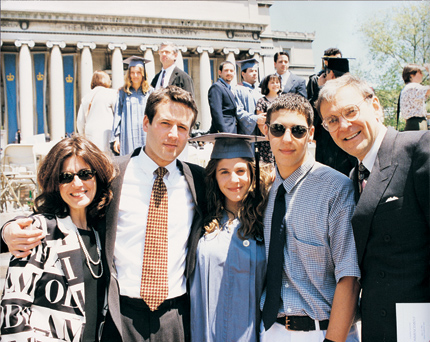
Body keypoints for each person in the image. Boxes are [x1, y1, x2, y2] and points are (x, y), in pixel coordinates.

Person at [2, 86, 206, 342]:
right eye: (165, 123)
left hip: (175, 318)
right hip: (120, 317)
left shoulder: (199, 182)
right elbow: (63, 202)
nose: (173, 134)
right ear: (146, 122)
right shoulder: (111, 175)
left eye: (182, 127)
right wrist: (7, 230)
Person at [316, 74, 430, 342]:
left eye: (350, 111)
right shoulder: (352, 177)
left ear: (376, 106)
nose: (344, 125)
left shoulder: (418, 148)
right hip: (378, 329)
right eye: (332, 120)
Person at [260, 94, 360, 342]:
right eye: (278, 129)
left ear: (311, 133)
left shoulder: (336, 189)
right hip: (270, 330)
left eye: (298, 130)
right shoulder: (265, 192)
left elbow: (349, 276)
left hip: (323, 331)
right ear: (266, 131)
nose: (287, 138)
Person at [0, 135, 115, 341]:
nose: (77, 183)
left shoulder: (101, 232)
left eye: (85, 174)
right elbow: (13, 311)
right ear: (55, 183)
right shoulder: (41, 230)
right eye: (66, 177)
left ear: (97, 177)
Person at [189, 133, 271, 342]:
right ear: (214, 176)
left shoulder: (266, 220)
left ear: (252, 173)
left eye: (241, 171)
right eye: (224, 172)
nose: (234, 180)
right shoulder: (200, 222)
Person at [313, 58, 356, 176]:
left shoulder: (326, 95)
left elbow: (314, 120)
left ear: (331, 74)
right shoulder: (355, 91)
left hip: (330, 153)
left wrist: (320, 89)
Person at [111, 56, 153, 156]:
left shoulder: (150, 92)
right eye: (132, 72)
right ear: (128, 74)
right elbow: (118, 116)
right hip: (127, 136)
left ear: (143, 74)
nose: (135, 75)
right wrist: (116, 138)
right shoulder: (123, 92)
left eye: (138, 72)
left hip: (145, 134)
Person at [77, 70, 117, 153]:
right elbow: (118, 115)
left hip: (90, 135)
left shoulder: (86, 97)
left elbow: (80, 121)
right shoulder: (112, 93)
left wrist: (83, 135)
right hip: (107, 133)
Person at [256, 74, 282, 163]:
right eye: (272, 82)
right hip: (267, 140)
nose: (275, 84)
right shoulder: (262, 101)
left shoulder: (284, 100)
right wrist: (269, 136)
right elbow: (260, 123)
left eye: (277, 82)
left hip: (282, 138)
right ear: (267, 85)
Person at [234, 58, 265, 135]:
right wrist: (255, 119)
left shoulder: (259, 91)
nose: (254, 73)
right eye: (251, 71)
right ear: (243, 74)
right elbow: (238, 111)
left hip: (261, 132)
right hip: (246, 133)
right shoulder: (238, 90)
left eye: (256, 71)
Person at [208, 61, 238, 133]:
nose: (229, 73)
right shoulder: (216, 87)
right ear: (220, 72)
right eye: (226, 70)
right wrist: (223, 132)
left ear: (234, 73)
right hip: (225, 131)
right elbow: (216, 113)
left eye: (231, 71)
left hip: (233, 129)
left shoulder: (229, 88)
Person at [400, 63, 430, 131]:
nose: (422, 75)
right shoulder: (413, 87)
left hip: (410, 125)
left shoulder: (406, 89)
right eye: (420, 73)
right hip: (418, 125)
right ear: (411, 75)